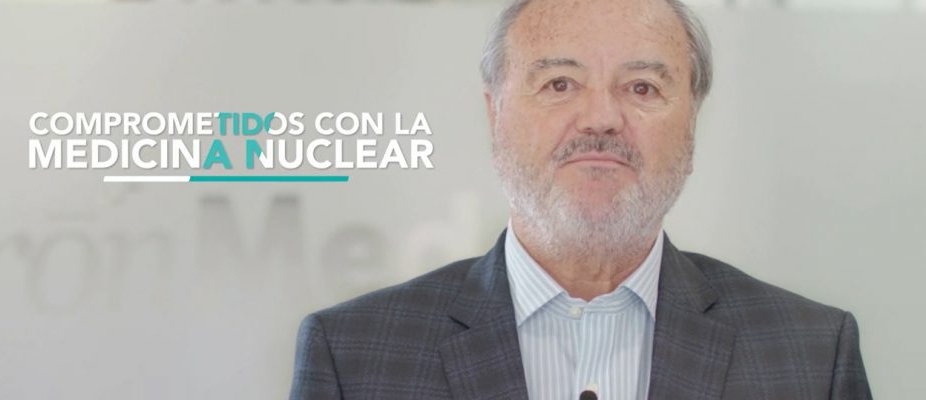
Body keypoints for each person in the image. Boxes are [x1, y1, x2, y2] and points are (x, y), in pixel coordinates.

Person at [289, 0, 873, 398]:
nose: (600, 118)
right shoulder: (354, 358)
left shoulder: (813, 356)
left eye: (642, 86)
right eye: (560, 84)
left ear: (692, 122)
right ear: (495, 114)